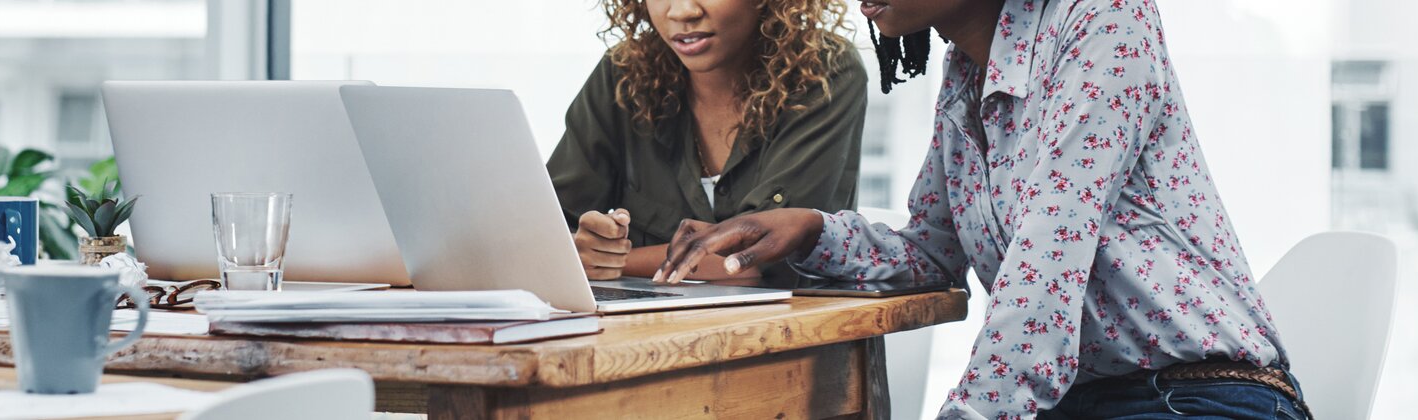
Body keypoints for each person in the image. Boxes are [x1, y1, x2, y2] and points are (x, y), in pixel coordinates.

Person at [651, 0, 1308, 418]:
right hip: (1076, 405)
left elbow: (1044, 268)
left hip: (1200, 395)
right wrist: (809, 230)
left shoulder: (1104, 21)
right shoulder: (967, 75)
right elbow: (933, 253)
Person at [548, 0, 868, 281]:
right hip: (643, 328)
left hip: (790, 328)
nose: (682, 11)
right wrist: (584, 244)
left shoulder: (823, 71)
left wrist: (603, 263)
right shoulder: (623, 74)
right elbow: (548, 229)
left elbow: (757, 257)